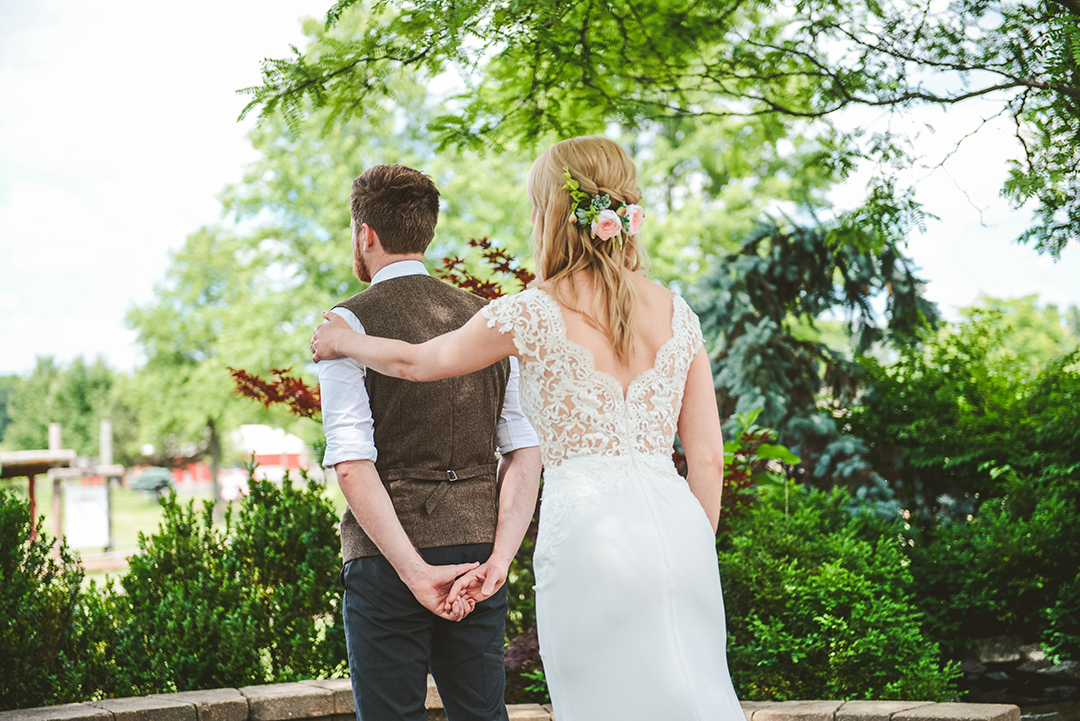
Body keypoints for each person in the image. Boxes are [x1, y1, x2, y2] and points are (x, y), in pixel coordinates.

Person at [313, 138, 744, 721]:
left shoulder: (533, 311)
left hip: (591, 540)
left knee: (600, 702)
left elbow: (420, 363)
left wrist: (346, 340)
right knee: (688, 695)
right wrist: (694, 544)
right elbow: (708, 459)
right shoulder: (678, 313)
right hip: (681, 535)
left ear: (553, 215)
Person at [316, 163, 542, 721]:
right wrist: (499, 561)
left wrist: (414, 574)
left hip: (387, 560)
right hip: (477, 558)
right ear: (427, 232)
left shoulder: (345, 325)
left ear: (364, 234)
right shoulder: (487, 320)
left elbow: (351, 465)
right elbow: (524, 450)